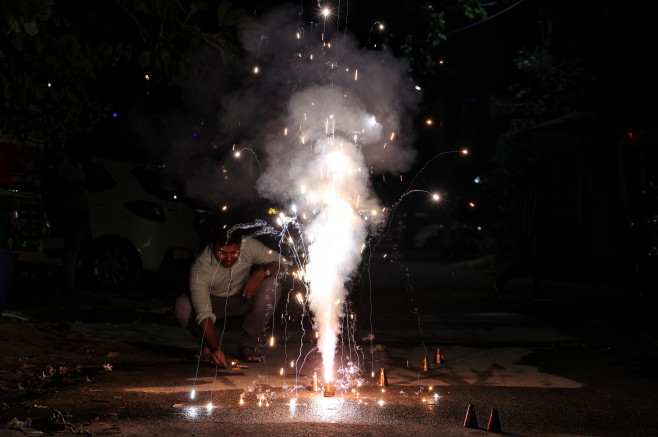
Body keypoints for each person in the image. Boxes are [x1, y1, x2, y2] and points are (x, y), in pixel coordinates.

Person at [174, 222, 282, 367]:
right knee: (182, 306)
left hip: (242, 297)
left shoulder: (248, 245)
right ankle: (211, 343)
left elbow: (282, 263)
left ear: (240, 246)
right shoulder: (200, 267)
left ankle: (248, 344)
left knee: (272, 284)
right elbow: (203, 314)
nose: (229, 258)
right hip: (214, 304)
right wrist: (216, 349)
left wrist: (262, 271)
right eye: (222, 253)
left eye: (234, 253)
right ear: (212, 246)